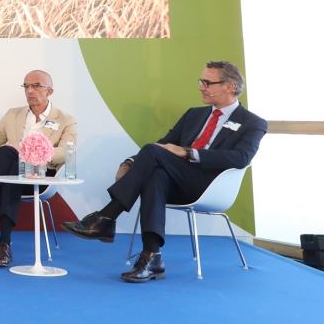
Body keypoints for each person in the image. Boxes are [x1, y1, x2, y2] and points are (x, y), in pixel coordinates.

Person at [62, 60, 267, 283]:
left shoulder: (252, 122)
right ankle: (152, 258)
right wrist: (129, 162)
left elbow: (242, 157)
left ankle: (106, 218)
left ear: (229, 86)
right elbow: (163, 146)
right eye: (201, 82)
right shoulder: (194, 115)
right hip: (176, 182)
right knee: (155, 176)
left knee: (154, 161)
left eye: (207, 83)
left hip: (210, 185)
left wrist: (188, 153)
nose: (201, 87)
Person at [0, 70, 77, 267]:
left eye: (36, 85)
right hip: (11, 174)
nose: (30, 90)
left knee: (10, 155)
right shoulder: (13, 114)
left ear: (49, 91)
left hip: (39, 177)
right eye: (26, 86)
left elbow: (66, 152)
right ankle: (4, 244)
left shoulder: (65, 119)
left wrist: (33, 150)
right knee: (6, 153)